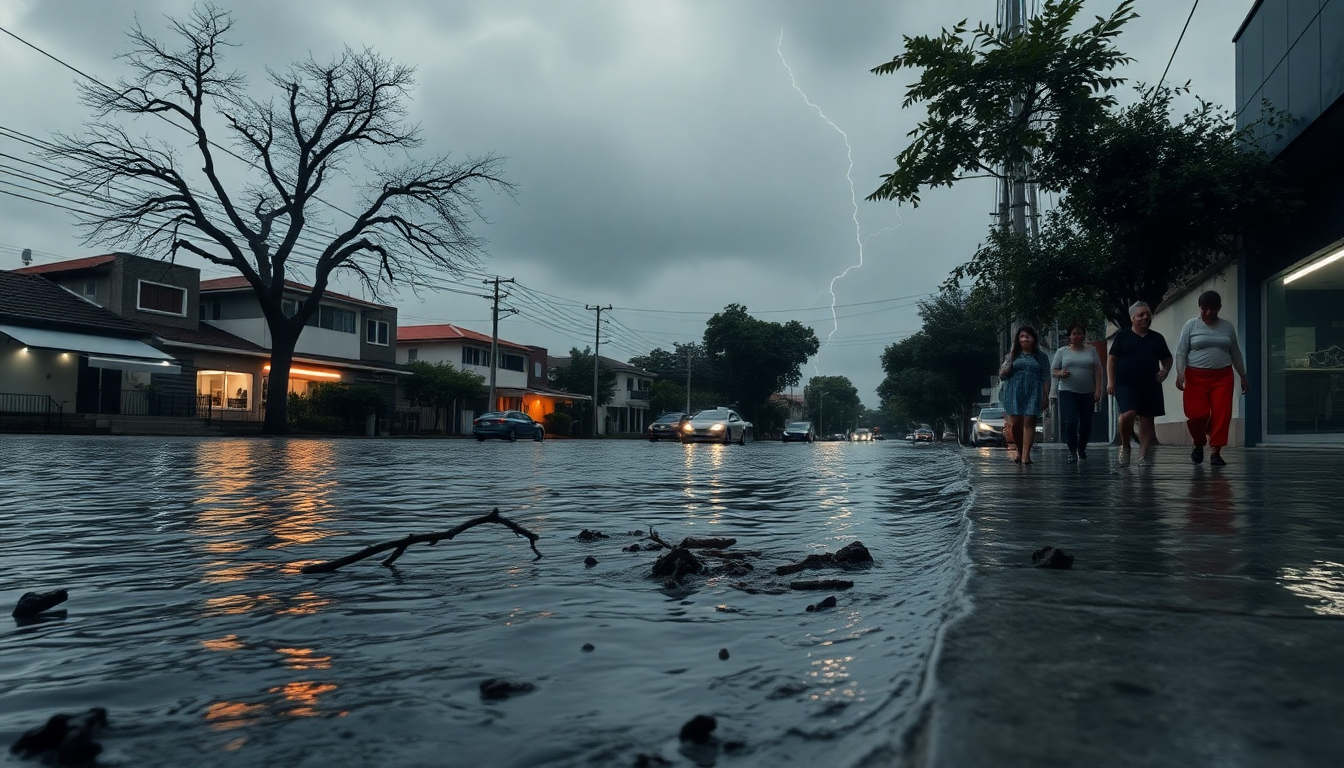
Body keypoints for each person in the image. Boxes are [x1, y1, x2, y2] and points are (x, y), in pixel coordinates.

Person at [1175, 291, 1248, 466]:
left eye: (1213, 309)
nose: (1209, 313)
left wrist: (1242, 375)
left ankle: (1216, 452)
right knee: (1196, 415)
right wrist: (1180, 373)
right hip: (1195, 376)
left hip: (1222, 376)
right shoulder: (1191, 325)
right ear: (1200, 308)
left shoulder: (1227, 327)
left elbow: (1235, 352)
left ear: (1219, 308)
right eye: (1205, 309)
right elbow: (1181, 351)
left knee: (1222, 414)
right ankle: (1199, 442)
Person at [1107, 301, 1173, 467]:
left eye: (1147, 315)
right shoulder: (1123, 336)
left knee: (1147, 418)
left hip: (1150, 384)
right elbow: (1111, 359)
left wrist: (1166, 370)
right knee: (1128, 414)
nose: (1145, 317)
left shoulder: (1157, 338)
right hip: (1125, 384)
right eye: (1141, 315)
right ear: (1132, 318)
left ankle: (1143, 456)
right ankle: (1125, 445)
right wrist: (1110, 380)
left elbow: (1168, 359)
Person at [1052, 322, 1103, 463]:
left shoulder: (1091, 350)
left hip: (1088, 392)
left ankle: (1082, 448)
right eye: (1074, 333)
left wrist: (1098, 390)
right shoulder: (1062, 352)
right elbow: (1053, 371)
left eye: (1079, 333)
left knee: (1086, 423)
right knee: (1071, 421)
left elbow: (1098, 370)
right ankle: (1072, 451)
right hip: (1068, 391)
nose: (1076, 336)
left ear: (1084, 335)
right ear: (1069, 336)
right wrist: (1061, 373)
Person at [999, 325, 1051, 465]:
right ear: (1018, 339)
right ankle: (1020, 451)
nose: (1024, 339)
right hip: (1014, 392)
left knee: (1029, 422)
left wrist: (1046, 395)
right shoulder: (1012, 355)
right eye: (1021, 336)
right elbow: (1002, 375)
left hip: (1033, 392)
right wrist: (1006, 370)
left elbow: (1046, 376)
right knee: (1016, 424)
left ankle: (1026, 455)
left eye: (1027, 336)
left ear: (1033, 339)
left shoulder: (1041, 357)